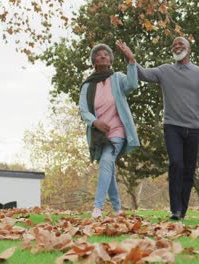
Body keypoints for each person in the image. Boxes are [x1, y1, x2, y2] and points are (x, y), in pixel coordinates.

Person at [117, 38, 199, 220]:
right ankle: (175, 209)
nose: (177, 47)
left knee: (189, 170)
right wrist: (131, 59)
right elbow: (143, 74)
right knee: (176, 164)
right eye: (174, 45)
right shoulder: (165, 71)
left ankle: (182, 210)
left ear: (189, 49)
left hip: (193, 128)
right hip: (172, 127)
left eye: (180, 44)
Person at [79, 42, 140, 218]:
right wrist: (95, 122)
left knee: (106, 161)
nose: (103, 56)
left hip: (118, 130)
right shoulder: (87, 86)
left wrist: (131, 60)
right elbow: (83, 110)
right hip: (99, 134)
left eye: (106, 54)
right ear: (94, 61)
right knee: (109, 167)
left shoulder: (118, 78)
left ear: (110, 59)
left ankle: (97, 208)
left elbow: (132, 85)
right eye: (99, 55)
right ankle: (117, 208)